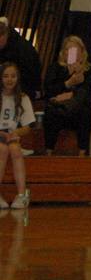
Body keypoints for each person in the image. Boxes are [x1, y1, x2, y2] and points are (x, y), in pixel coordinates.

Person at [43, 35, 91, 156]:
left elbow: (88, 91)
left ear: (82, 52)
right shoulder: (55, 68)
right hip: (59, 109)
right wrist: (68, 83)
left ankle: (82, 153)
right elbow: (49, 90)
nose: (72, 52)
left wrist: (71, 94)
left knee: (85, 111)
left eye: (75, 49)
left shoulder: (89, 70)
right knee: (51, 112)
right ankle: (48, 151)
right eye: (69, 49)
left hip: (78, 111)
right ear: (64, 52)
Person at [0, 62, 34, 209]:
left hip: (12, 135)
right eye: (6, 76)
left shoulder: (23, 98)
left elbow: (28, 127)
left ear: (18, 78)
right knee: (2, 150)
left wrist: (16, 133)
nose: (9, 79)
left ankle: (21, 195)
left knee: (15, 150)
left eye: (13, 76)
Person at [0, 18, 41, 98]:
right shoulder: (8, 47)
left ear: (5, 35)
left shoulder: (23, 50)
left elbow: (30, 78)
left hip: (24, 92)